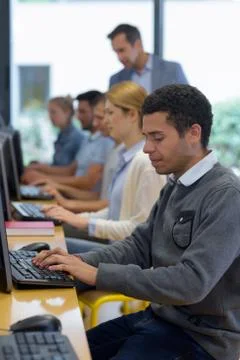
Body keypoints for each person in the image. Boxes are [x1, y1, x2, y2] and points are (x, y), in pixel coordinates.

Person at [32, 84, 240, 360]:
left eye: (157, 138)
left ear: (193, 133)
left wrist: (97, 275)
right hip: (161, 319)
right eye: (146, 137)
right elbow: (139, 246)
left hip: (204, 340)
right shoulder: (176, 184)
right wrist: (79, 263)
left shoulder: (226, 195)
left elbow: (190, 283)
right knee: (63, 353)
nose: (147, 149)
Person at [42, 81, 165, 252]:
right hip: (115, 249)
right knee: (45, 241)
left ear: (131, 115)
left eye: (109, 113)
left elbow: (140, 230)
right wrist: (77, 218)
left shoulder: (146, 163)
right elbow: (115, 212)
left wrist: (84, 221)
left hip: (124, 259)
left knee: (48, 245)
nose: (103, 121)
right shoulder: (124, 153)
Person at [22, 92, 114, 192]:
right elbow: (71, 169)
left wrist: (45, 179)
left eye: (83, 112)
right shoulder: (88, 139)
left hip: (78, 196)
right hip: (74, 195)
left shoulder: (103, 141)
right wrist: (41, 171)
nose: (78, 117)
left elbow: (86, 182)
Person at [108, 24, 188, 93]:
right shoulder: (116, 80)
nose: (119, 57)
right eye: (116, 52)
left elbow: (188, 105)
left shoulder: (173, 70)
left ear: (138, 44)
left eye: (122, 50)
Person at [48, 96, 85, 166]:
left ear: (67, 113)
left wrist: (40, 168)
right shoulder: (62, 134)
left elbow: (63, 167)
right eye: (49, 112)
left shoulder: (75, 137)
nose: (50, 116)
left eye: (53, 112)